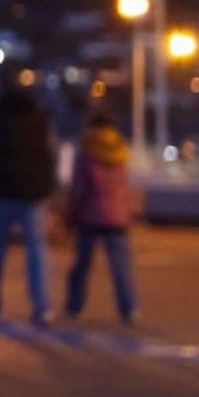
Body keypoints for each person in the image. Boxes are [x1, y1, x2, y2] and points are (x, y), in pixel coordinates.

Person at [0, 81, 57, 324]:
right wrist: (49, 188)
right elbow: (52, 155)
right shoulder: (41, 119)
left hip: (4, 191)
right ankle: (42, 306)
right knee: (37, 248)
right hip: (34, 194)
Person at [64, 112, 138, 324]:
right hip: (116, 217)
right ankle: (129, 308)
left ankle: (74, 306)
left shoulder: (87, 151)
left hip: (90, 216)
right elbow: (124, 188)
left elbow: (78, 190)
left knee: (81, 265)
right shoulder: (120, 151)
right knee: (121, 266)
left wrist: (70, 216)